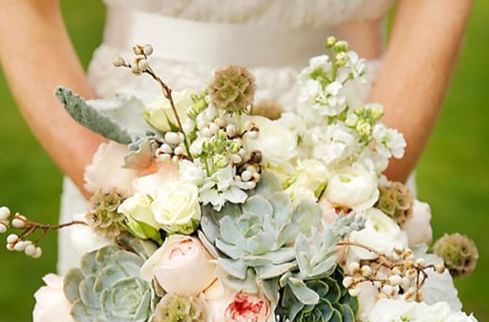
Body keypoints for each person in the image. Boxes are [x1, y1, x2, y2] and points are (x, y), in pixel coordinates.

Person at [0, 0, 473, 273]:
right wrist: (119, 189)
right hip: (135, 148)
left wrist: (359, 185)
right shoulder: (120, 179)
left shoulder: (361, 169)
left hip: (350, 144)